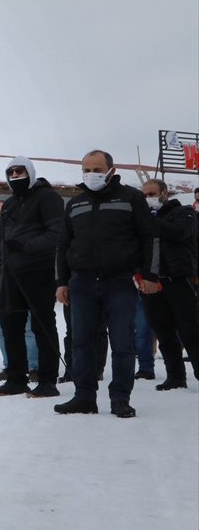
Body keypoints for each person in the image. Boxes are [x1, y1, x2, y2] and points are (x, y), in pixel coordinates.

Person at [55, 150, 157, 418]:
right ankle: (84, 397)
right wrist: (61, 282)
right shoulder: (74, 204)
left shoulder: (131, 198)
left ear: (111, 170)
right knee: (81, 342)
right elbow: (63, 245)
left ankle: (120, 397)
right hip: (82, 283)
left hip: (120, 281)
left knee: (123, 342)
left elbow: (151, 238)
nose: (91, 174)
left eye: (97, 169)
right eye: (86, 169)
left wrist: (151, 275)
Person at [0, 157, 62, 397]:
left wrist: (26, 245)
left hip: (39, 270)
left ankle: (48, 379)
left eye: (20, 171)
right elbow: (0, 240)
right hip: (11, 273)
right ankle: (16, 378)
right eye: (11, 172)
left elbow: (56, 234)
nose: (16, 176)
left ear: (30, 172)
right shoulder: (8, 204)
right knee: (10, 326)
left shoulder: (47, 197)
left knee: (42, 324)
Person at [138, 179, 199, 390]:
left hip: (179, 280)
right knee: (163, 332)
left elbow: (180, 233)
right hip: (152, 282)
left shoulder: (184, 213)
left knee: (191, 330)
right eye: (143, 195)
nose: (148, 199)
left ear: (164, 193)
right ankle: (175, 376)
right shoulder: (141, 220)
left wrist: (152, 221)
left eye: (152, 194)